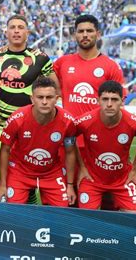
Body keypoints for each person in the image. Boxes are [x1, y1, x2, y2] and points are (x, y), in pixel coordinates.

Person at [53, 14, 125, 209]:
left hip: (99, 145)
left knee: (106, 199)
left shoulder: (111, 67)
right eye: (81, 31)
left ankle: (105, 238)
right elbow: (46, 81)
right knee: (68, 198)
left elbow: (119, 105)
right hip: (69, 143)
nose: (85, 35)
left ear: (98, 34)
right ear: (75, 35)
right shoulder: (62, 63)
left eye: (89, 31)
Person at [0, 14, 57, 202]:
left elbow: (54, 89)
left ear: (27, 32)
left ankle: (28, 224)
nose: (16, 31)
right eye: (12, 27)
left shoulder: (40, 58)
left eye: (20, 27)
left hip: (29, 130)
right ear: (6, 32)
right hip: (0, 128)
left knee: (29, 182)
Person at [0, 77, 77, 206]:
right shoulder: (17, 119)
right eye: (40, 97)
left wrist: (70, 185)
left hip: (51, 172)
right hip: (20, 171)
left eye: (49, 97)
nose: (44, 102)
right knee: (12, 211)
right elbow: (5, 150)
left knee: (62, 211)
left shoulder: (68, 121)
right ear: (32, 99)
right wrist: (2, 184)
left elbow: (70, 152)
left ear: (56, 99)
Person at [75, 81, 136, 212]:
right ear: (98, 100)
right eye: (105, 99)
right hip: (91, 179)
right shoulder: (85, 121)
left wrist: (134, 169)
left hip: (123, 180)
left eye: (114, 99)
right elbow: (69, 138)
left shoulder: (135, 124)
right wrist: (82, 167)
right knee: (86, 219)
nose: (109, 104)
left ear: (122, 101)